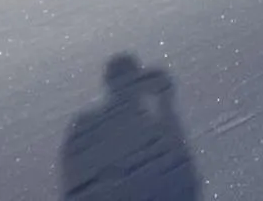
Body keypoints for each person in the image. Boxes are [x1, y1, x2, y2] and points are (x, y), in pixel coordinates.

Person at [60, 54, 201, 200]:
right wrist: (165, 104)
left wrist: (165, 106)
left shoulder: (88, 126)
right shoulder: (150, 130)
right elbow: (182, 175)